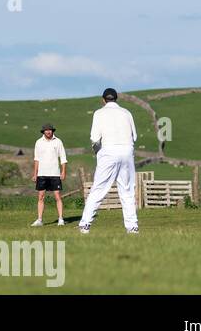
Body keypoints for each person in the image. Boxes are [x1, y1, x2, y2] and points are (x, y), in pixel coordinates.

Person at [79, 88, 140, 234]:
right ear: (116, 98)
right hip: (127, 150)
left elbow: (94, 137)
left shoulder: (99, 113)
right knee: (127, 190)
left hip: (109, 151)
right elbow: (135, 136)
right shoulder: (127, 113)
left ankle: (85, 224)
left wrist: (98, 150)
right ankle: (132, 227)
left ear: (103, 99)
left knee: (99, 188)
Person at [31, 124, 67, 226]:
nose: (48, 132)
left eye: (50, 130)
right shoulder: (38, 142)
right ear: (43, 132)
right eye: (46, 130)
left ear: (52, 131)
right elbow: (36, 159)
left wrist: (63, 172)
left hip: (55, 173)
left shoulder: (58, 141)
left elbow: (63, 158)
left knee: (57, 196)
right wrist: (35, 174)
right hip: (42, 174)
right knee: (41, 196)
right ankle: (40, 220)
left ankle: (60, 219)